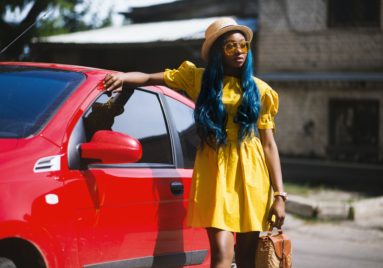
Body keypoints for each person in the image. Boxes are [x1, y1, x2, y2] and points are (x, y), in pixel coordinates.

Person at [104, 17, 286, 268]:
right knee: (221, 255)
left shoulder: (261, 90)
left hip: (251, 174)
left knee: (246, 259)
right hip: (215, 171)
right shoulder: (197, 79)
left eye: (243, 45)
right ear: (216, 52)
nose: (239, 52)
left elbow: (268, 145)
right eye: (230, 46)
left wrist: (280, 195)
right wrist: (123, 77)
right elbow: (148, 79)